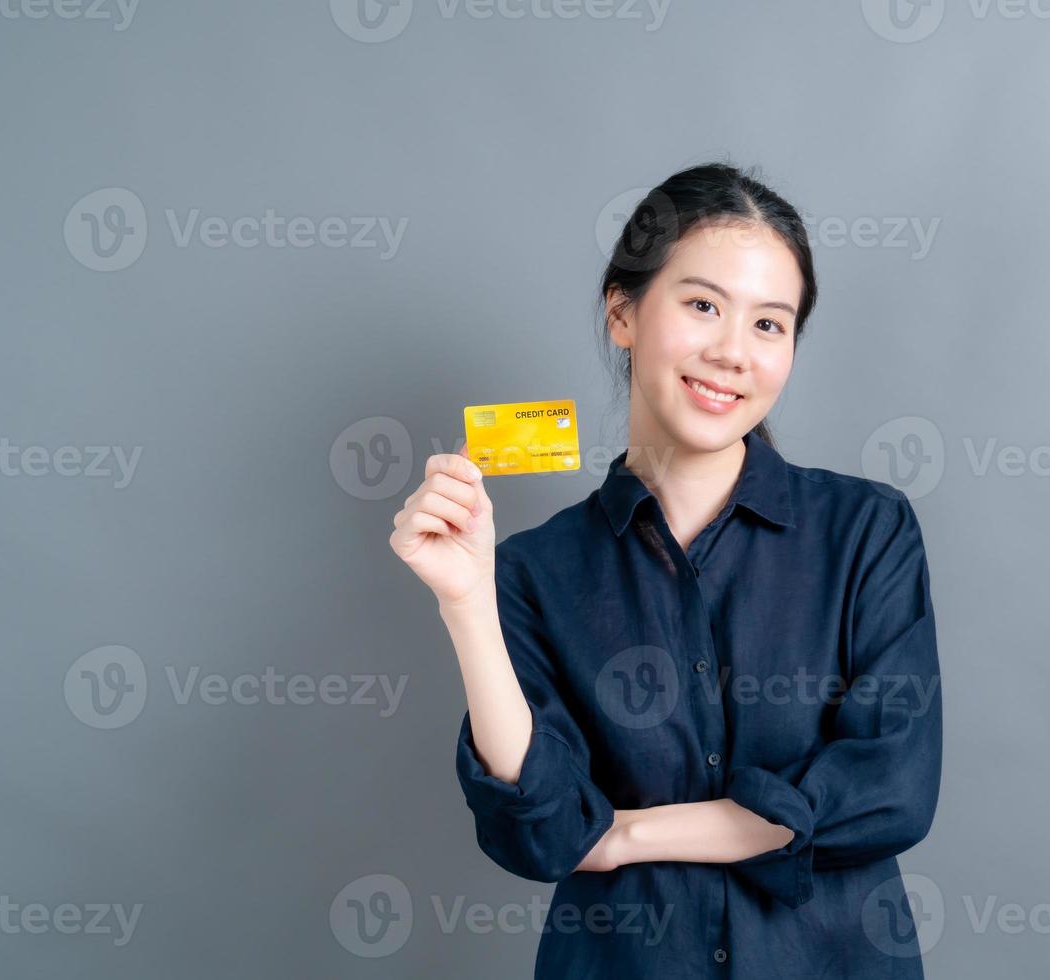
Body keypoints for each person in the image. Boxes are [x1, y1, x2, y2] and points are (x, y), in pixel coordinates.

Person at [390, 162, 943, 978]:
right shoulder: (535, 572)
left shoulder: (867, 532)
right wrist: (467, 603)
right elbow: (541, 829)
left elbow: (890, 787)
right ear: (623, 310)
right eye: (702, 305)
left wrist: (623, 835)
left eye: (769, 324)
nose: (731, 352)